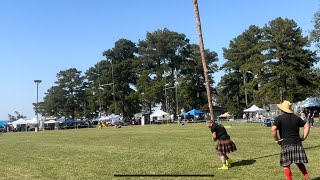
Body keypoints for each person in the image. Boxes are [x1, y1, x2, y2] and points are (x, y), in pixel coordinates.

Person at [272, 100, 310, 180]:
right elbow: (307, 125)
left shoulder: (279, 118)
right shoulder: (296, 118)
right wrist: (304, 137)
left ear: (282, 109)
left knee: (286, 165)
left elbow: (273, 129)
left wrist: (277, 139)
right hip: (297, 143)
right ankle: (307, 177)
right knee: (299, 161)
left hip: (285, 143)